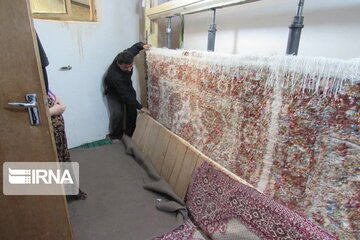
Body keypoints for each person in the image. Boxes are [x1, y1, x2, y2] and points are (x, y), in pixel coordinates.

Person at [36, 32, 87, 201]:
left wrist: (51, 97)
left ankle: (68, 191)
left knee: (62, 158)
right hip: (47, 120)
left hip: (52, 116)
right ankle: (57, 200)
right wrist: (52, 111)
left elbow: (42, 83)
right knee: (54, 160)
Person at [104, 42, 151, 140]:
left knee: (132, 109)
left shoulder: (127, 55)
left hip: (126, 85)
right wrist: (141, 107)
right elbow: (125, 95)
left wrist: (142, 45)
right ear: (118, 64)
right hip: (113, 90)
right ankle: (116, 135)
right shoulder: (114, 76)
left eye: (131, 66)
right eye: (125, 67)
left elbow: (135, 47)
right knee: (118, 113)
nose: (129, 70)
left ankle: (130, 133)